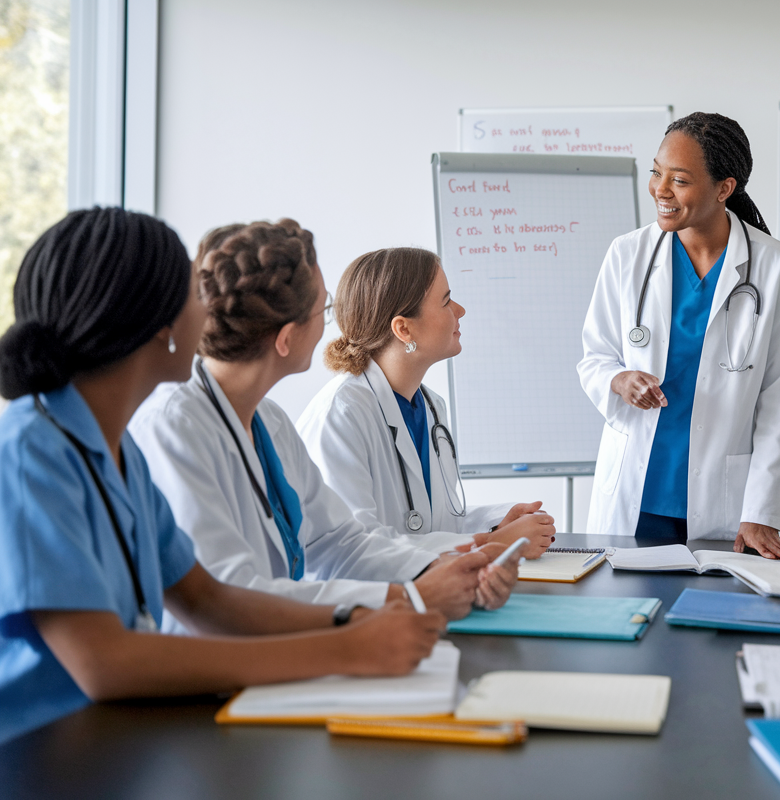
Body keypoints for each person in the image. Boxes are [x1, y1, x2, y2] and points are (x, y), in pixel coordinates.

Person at [0, 208, 446, 744]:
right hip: (44, 758)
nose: (211, 309)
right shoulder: (31, 453)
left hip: (115, 740)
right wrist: (346, 648)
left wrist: (353, 618)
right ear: (157, 327)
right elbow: (103, 662)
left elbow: (209, 600)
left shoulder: (117, 453)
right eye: (195, 293)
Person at [131, 220, 517, 621]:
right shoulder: (173, 428)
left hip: (281, 644)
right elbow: (228, 594)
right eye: (324, 309)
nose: (332, 325)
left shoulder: (269, 420)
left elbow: (339, 543)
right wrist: (410, 599)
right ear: (285, 339)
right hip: (217, 666)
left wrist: (446, 573)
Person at [579, 112, 780, 556]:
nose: (660, 190)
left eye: (679, 180)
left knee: (709, 621)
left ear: (725, 188)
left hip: (720, 501)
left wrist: (762, 511)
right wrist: (619, 379)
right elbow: (595, 357)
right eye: (656, 172)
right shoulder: (628, 255)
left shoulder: (778, 268)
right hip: (635, 492)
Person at [298, 247, 555, 555]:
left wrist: (497, 524)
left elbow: (430, 525)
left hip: (428, 590)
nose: (459, 310)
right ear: (404, 328)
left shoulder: (430, 405)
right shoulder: (341, 415)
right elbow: (353, 548)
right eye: (446, 301)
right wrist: (494, 544)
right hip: (364, 599)